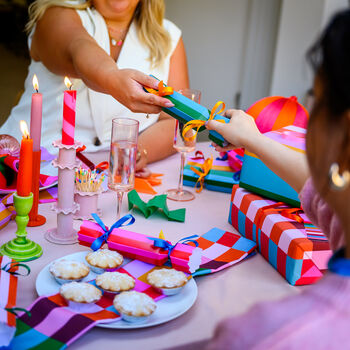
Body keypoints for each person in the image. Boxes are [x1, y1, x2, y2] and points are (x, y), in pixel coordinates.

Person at [201, 9, 350, 349]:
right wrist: (254, 140)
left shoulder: (267, 336)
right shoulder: (342, 205)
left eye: (316, 102)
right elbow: (323, 188)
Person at [0, 0, 189, 170]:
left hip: (102, 178)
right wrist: (113, 78)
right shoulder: (56, 15)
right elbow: (78, 46)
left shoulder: (169, 36)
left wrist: (136, 152)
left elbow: (176, 121)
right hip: (26, 164)